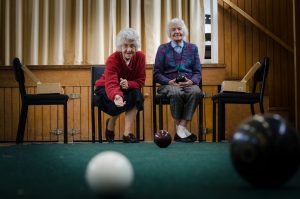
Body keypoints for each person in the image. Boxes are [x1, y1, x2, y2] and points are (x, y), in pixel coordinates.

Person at [153, 18, 202, 143]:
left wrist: (191, 81)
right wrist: (169, 82)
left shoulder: (193, 48)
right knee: (176, 92)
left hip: (188, 83)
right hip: (168, 84)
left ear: (183, 31)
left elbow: (197, 72)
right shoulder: (162, 49)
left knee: (196, 92)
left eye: (179, 28)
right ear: (169, 33)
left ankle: (181, 127)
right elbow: (156, 73)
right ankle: (181, 131)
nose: (176, 31)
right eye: (173, 29)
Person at [95, 28, 145, 143]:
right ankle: (111, 122)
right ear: (120, 47)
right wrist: (117, 95)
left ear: (136, 47)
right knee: (120, 98)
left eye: (132, 46)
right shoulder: (113, 59)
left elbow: (141, 80)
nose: (129, 49)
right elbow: (111, 82)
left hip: (126, 88)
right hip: (106, 87)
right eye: (125, 45)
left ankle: (127, 134)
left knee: (137, 94)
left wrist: (129, 83)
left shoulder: (140, 57)